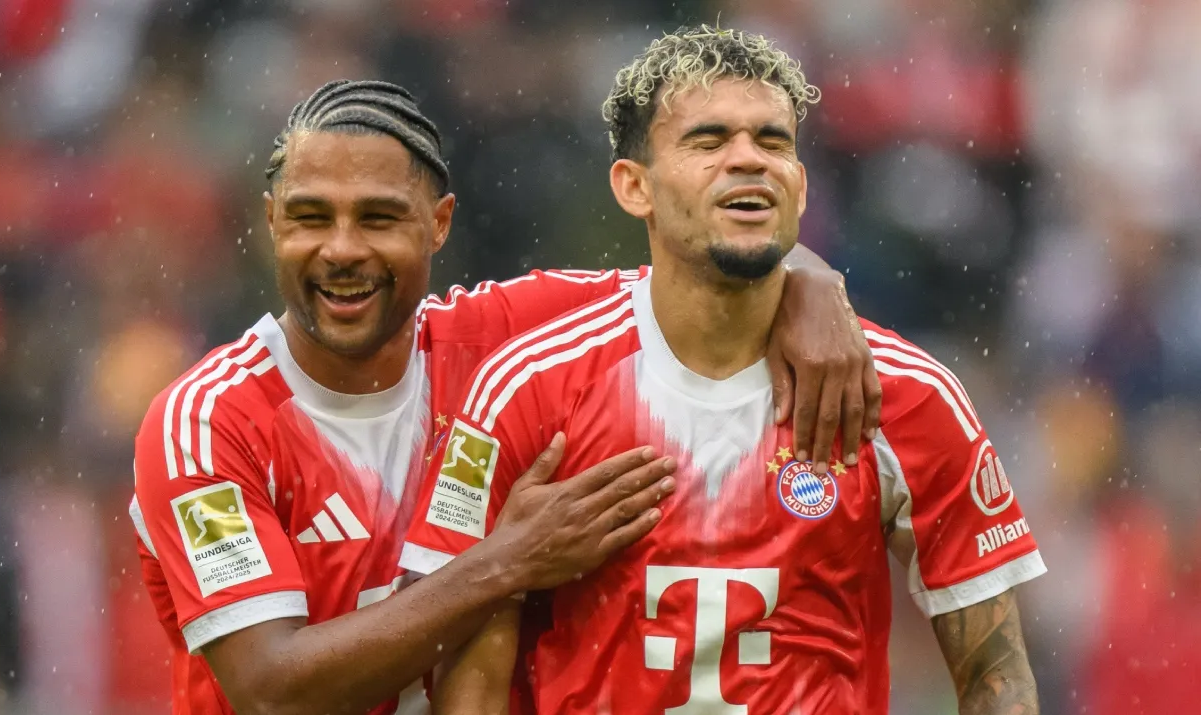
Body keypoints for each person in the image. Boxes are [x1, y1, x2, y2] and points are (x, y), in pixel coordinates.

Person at [130, 79, 881, 715]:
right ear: (270, 225)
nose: (342, 248)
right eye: (310, 217)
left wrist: (812, 281)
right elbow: (270, 688)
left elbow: (706, 276)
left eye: (380, 218)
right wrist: (508, 561)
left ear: (440, 225)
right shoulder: (205, 422)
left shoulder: (504, 340)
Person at [403, 25, 1045, 715]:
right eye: (708, 142)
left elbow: (996, 679)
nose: (749, 160)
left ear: (800, 185)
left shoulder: (905, 395)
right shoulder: (527, 386)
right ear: (633, 187)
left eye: (772, 142)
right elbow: (469, 688)